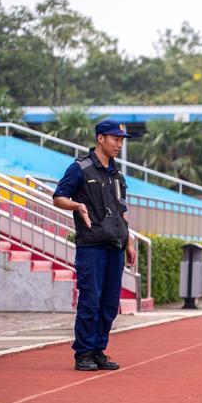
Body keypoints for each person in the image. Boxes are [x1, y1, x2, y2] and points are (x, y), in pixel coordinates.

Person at [53, 119, 136, 371]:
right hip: (91, 246)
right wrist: (77, 205)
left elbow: (122, 212)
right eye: (115, 139)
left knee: (110, 302)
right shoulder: (80, 168)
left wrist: (129, 241)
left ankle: (99, 350)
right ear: (100, 138)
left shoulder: (117, 175)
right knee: (91, 299)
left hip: (116, 246)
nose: (119, 145)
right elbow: (59, 197)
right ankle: (83, 353)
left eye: (122, 141)